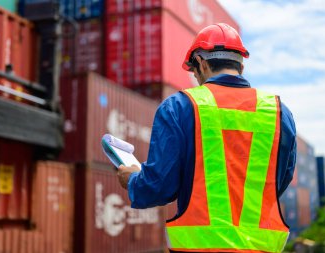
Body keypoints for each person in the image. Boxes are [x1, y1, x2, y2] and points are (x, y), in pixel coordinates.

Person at [117, 23, 296, 253]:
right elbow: (277, 182)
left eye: (193, 71)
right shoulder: (279, 112)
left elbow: (159, 187)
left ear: (200, 63)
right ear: (241, 64)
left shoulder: (179, 106)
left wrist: (132, 180)